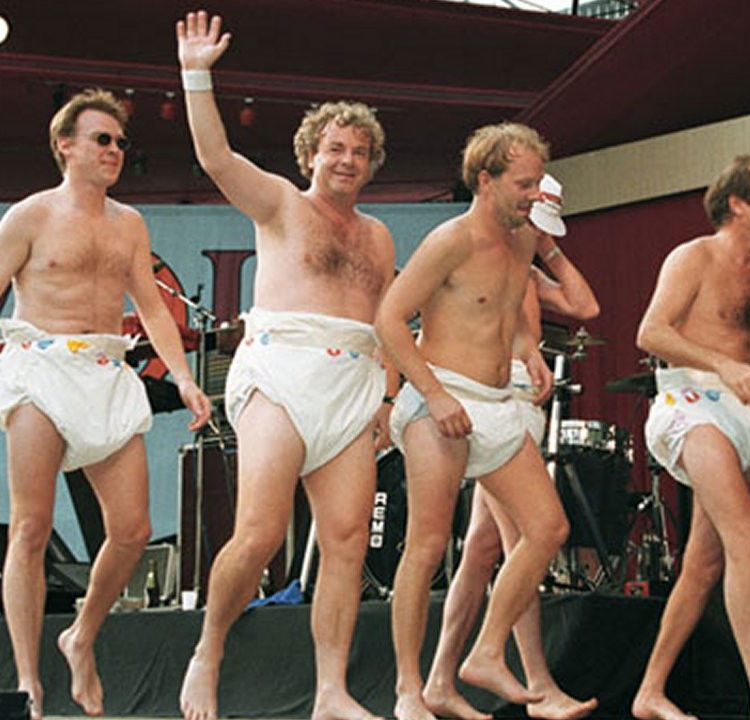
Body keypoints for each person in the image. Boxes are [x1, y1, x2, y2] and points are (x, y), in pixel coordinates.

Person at [0, 88, 212, 720]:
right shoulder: (30, 215)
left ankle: (81, 634)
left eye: (120, 142)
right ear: (65, 145)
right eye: (102, 139)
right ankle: (28, 682)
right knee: (30, 527)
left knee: (132, 530)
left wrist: (184, 378)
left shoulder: (130, 223)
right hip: (39, 365)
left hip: (104, 369)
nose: (115, 150)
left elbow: (151, 308)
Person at [175, 11, 398, 720]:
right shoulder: (278, 203)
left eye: (359, 151)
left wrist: (388, 398)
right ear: (311, 155)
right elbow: (216, 158)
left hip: (353, 383)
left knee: (345, 542)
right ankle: (208, 650)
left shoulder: (379, 236)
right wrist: (196, 75)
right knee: (260, 533)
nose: (347, 160)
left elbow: (386, 324)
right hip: (279, 372)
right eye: (335, 148)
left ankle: (330, 691)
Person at [377, 122, 570, 720]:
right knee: (427, 544)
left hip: (497, 402)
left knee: (547, 528)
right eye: (524, 184)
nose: (535, 195)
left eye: (537, 183)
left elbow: (507, 310)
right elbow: (389, 319)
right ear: (485, 181)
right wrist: (433, 395)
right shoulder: (450, 240)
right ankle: (409, 689)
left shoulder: (523, 239)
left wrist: (528, 350)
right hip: (441, 399)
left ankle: (486, 651)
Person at [421, 174, 600, 720]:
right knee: (524, 536)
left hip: (520, 402)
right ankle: (534, 681)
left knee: (483, 548)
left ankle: (439, 681)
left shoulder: (524, 264)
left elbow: (584, 305)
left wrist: (549, 247)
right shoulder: (477, 253)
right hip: (494, 401)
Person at [631, 156, 750, 720]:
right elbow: (651, 332)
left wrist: (745, 379)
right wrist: (724, 366)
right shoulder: (693, 256)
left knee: (704, 565)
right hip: (689, 404)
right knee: (747, 543)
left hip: (740, 420)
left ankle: (650, 692)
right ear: (737, 203)